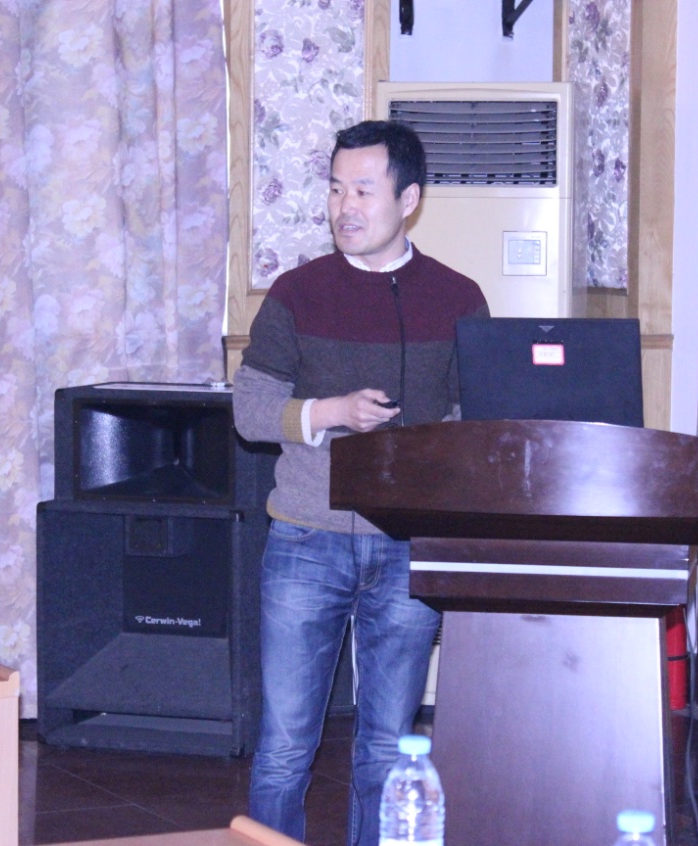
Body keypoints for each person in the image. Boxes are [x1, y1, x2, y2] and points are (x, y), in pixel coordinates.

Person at [232, 119, 488, 846]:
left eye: (364, 191)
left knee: (385, 746)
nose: (345, 207)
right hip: (304, 541)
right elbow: (250, 410)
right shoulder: (297, 292)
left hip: (407, 547)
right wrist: (330, 412)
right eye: (336, 189)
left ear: (408, 199)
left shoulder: (457, 298)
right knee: (284, 745)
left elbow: (474, 418)